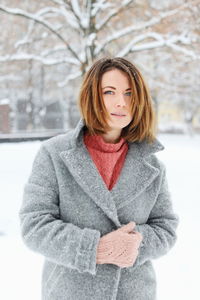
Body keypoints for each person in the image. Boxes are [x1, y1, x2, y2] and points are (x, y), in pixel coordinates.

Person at [19, 57, 179, 300]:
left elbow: (165, 228)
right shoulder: (54, 155)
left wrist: (137, 244)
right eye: (109, 92)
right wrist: (93, 249)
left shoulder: (153, 165)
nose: (121, 102)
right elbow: (34, 226)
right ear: (92, 96)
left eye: (129, 93)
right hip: (70, 292)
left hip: (135, 293)